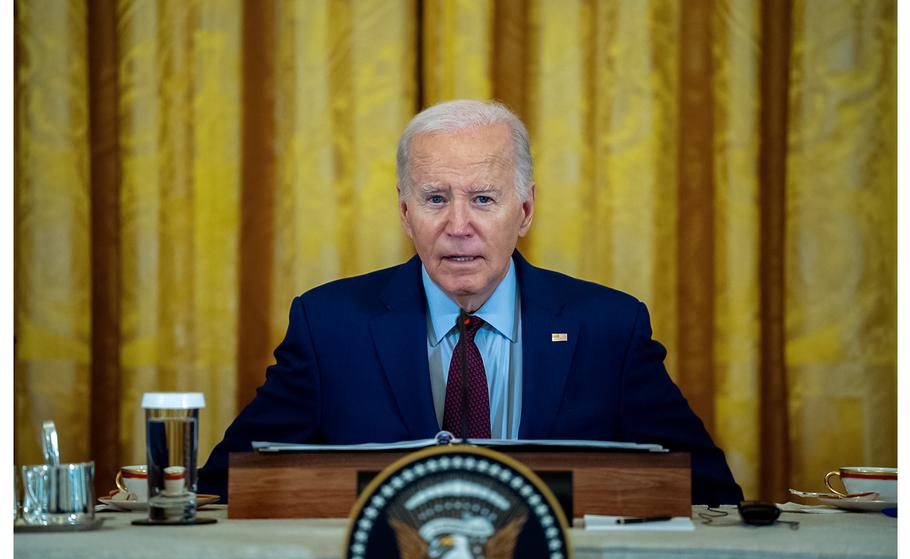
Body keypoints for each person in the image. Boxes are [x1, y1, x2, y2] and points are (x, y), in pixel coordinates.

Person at [198, 99, 743, 505]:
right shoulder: (328, 325)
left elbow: (709, 493)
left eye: (484, 199)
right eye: (436, 199)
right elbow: (228, 486)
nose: (459, 227)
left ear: (525, 210)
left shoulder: (609, 327)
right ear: (406, 213)